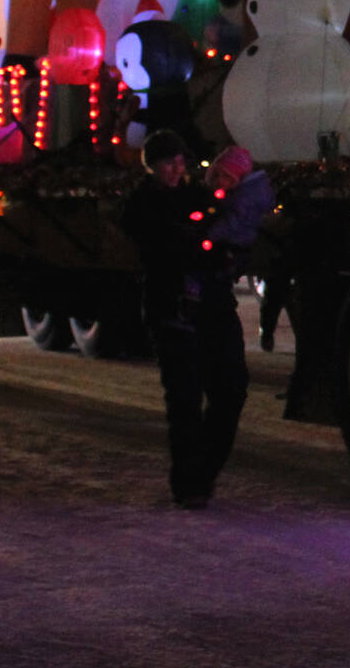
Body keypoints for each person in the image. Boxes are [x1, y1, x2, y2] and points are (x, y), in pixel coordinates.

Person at [120, 129, 248, 508]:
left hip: (214, 307)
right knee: (185, 398)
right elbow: (161, 247)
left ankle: (203, 471)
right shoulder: (143, 205)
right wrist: (196, 245)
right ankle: (190, 484)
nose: (177, 169)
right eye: (168, 163)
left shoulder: (201, 198)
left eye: (180, 162)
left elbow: (224, 237)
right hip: (172, 310)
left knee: (231, 390)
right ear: (152, 166)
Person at [205, 144, 280, 350]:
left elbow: (233, 222)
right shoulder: (250, 191)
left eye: (224, 176)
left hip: (239, 245)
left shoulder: (244, 198)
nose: (219, 182)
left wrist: (207, 234)